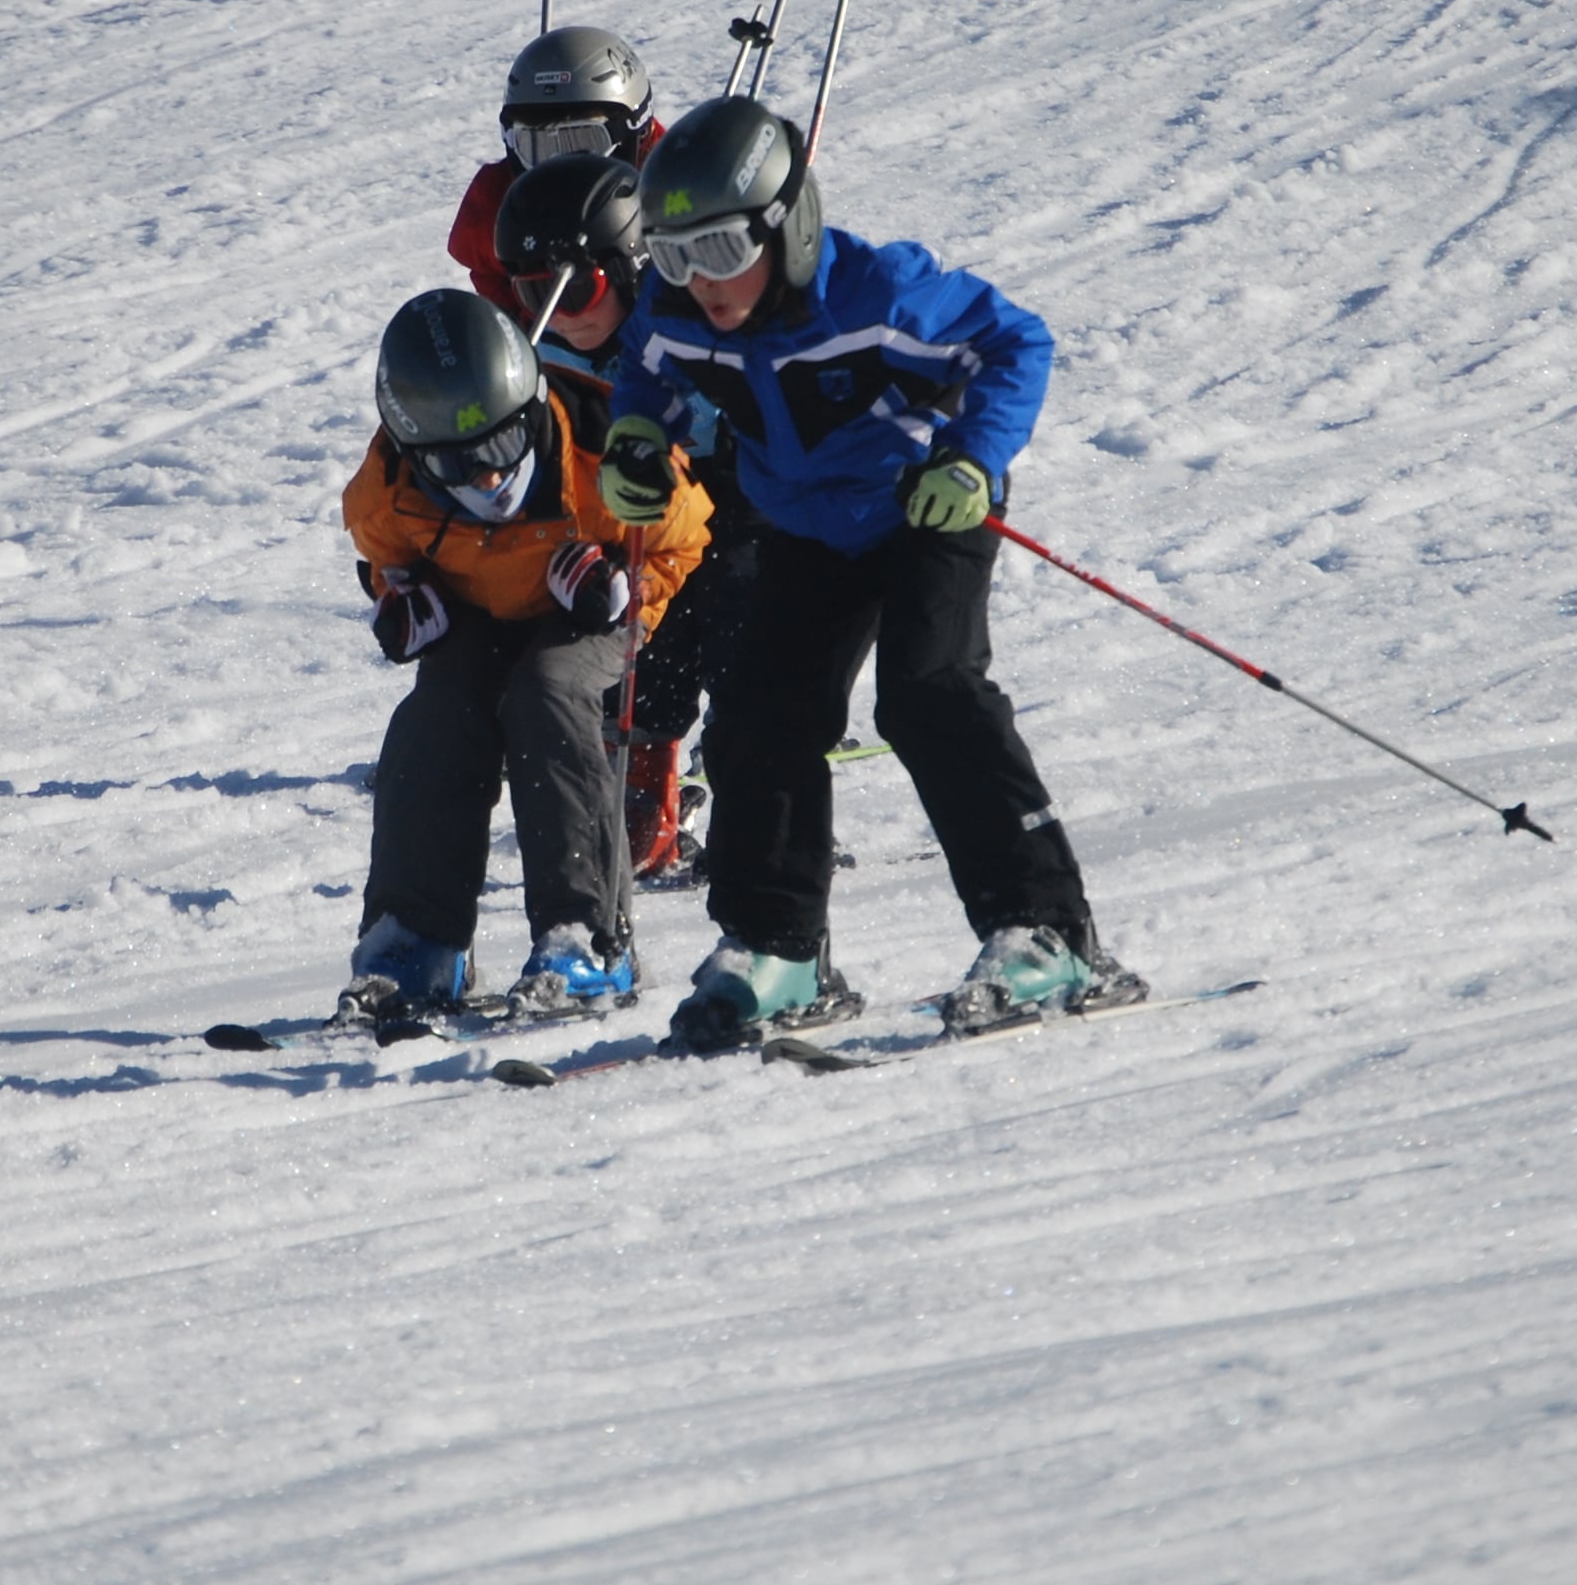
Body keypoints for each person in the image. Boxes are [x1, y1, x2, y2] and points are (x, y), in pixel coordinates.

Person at [595, 94, 1139, 1051]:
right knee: (762, 712)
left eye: (722, 252)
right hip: (811, 525)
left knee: (928, 692)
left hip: (927, 502)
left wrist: (970, 458)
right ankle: (779, 947)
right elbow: (648, 368)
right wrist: (639, 437)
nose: (701, 283)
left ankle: (1046, 929)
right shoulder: (679, 310)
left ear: (787, 226)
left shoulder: (880, 294)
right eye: (676, 256)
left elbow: (1016, 341)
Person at [339, 288, 712, 1023]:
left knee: (551, 694)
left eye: (502, 448)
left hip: (586, 605)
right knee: (438, 714)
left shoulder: (605, 450)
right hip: (477, 610)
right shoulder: (388, 491)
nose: (485, 476)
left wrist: (626, 591)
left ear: (533, 410)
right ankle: (416, 940)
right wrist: (401, 600)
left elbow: (687, 538)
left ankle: (586, 937)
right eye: (455, 462)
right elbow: (384, 558)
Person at [491, 150, 765, 881]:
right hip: (635, 535)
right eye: (533, 290)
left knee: (743, 625)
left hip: (739, 517)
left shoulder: (689, 322)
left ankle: (764, 807)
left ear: (634, 264)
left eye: (575, 288)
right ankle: (643, 797)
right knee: (633, 641)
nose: (556, 311)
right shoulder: (539, 356)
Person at [448, 26, 663, 308]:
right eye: (537, 147)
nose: (562, 166)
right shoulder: (498, 211)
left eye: (584, 141)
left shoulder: (671, 190)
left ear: (638, 132)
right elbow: (506, 318)